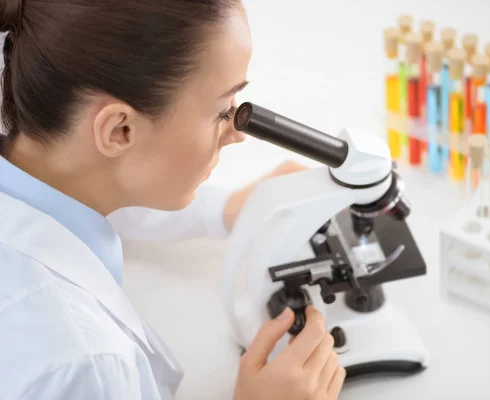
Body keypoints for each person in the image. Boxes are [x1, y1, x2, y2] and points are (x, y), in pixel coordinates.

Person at [0, 0, 346, 399]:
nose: (237, 133)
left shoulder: (38, 147)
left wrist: (222, 207)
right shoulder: (83, 367)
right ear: (119, 131)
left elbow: (94, 177)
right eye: (221, 110)